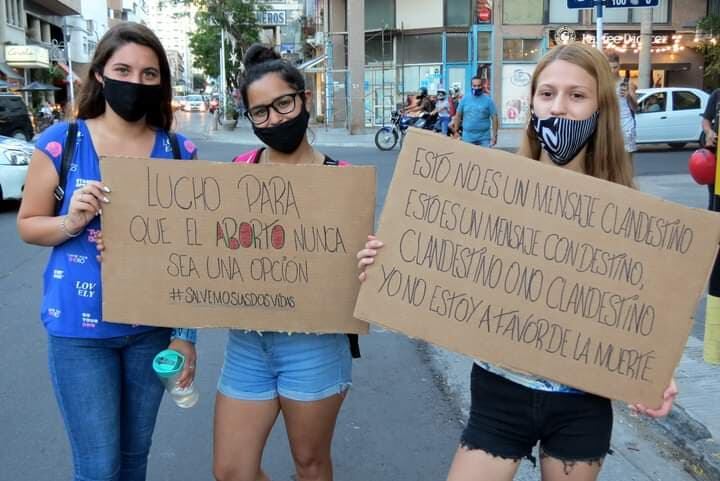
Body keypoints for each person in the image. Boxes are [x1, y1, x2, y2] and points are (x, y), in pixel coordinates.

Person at [356, 42, 678, 481]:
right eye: (547, 94)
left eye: (576, 96)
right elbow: (448, 266)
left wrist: (656, 371)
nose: (559, 108)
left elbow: (642, 311)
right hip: (499, 394)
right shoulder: (493, 190)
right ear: (531, 104)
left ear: (600, 108)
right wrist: (389, 263)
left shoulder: (630, 217)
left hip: (581, 405)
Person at [16, 22, 198, 481]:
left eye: (149, 74)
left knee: (134, 461)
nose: (135, 82)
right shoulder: (62, 142)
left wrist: (185, 335)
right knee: (98, 468)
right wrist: (71, 221)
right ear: (100, 74)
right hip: (79, 332)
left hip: (152, 332)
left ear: (161, 83)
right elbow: (28, 226)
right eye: (123, 69)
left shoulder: (179, 152)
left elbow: (193, 249)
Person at [213, 44, 358, 481]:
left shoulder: (344, 180)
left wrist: (371, 263)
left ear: (304, 100)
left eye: (283, 104)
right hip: (248, 343)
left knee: (310, 465)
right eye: (261, 112)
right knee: (231, 471)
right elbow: (205, 252)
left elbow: (354, 270)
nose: (274, 119)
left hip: (314, 345)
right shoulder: (239, 170)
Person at [451, 76, 498, 147]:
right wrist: (456, 131)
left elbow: (494, 118)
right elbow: (458, 115)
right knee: (468, 157)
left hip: (484, 137)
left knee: (485, 157)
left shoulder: (488, 100)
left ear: (482, 86)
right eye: (474, 86)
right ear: (471, 86)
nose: (476, 88)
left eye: (479, 85)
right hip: (467, 137)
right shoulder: (465, 99)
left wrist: (495, 136)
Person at [607, 53, 637, 156]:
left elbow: (635, 108)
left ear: (619, 66)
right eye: (610, 68)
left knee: (627, 159)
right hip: (609, 125)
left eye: (615, 67)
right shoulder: (603, 84)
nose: (612, 71)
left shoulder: (627, 83)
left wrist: (628, 96)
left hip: (626, 124)